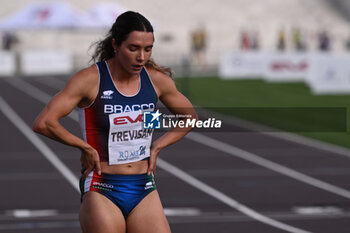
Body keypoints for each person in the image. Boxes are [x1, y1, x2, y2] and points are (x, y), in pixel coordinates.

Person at [33, 11, 197, 233]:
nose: (141, 57)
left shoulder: (156, 80)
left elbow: (190, 118)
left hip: (143, 186)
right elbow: (44, 122)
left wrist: (158, 146)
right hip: (102, 186)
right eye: (133, 48)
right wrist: (83, 146)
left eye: (148, 49)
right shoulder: (90, 79)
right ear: (115, 45)